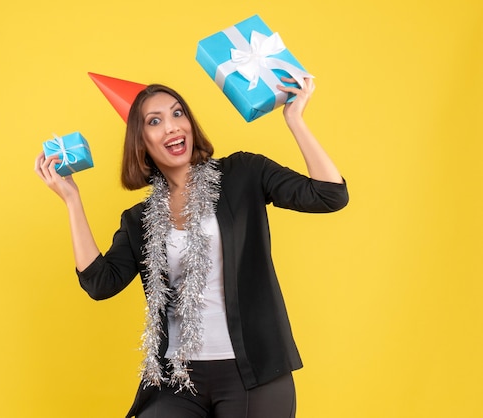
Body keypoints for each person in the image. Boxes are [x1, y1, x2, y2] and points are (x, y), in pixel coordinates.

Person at [34, 77, 349, 418]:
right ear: (141, 142)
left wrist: (295, 120)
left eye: (177, 113)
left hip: (253, 372)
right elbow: (100, 283)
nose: (171, 127)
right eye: (154, 121)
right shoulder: (139, 219)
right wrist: (72, 201)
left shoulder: (242, 173)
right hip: (176, 379)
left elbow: (329, 195)